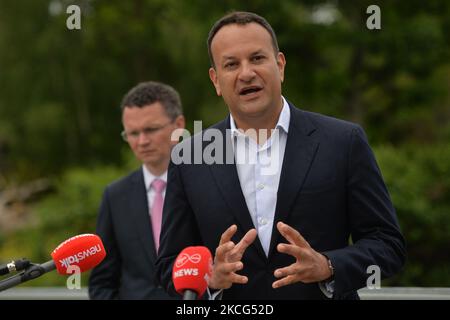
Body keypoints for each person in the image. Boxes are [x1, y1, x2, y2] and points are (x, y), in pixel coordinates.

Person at [156, 12, 406, 300]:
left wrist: (328, 266)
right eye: (231, 64)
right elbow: (168, 266)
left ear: (280, 65)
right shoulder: (190, 157)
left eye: (257, 58)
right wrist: (211, 278)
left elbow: (388, 246)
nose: (246, 73)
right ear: (216, 80)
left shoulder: (343, 142)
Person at [89, 81, 185, 299]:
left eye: (151, 129)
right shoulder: (115, 196)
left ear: (179, 125)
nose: (142, 141)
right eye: (132, 133)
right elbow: (102, 282)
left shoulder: (207, 185)